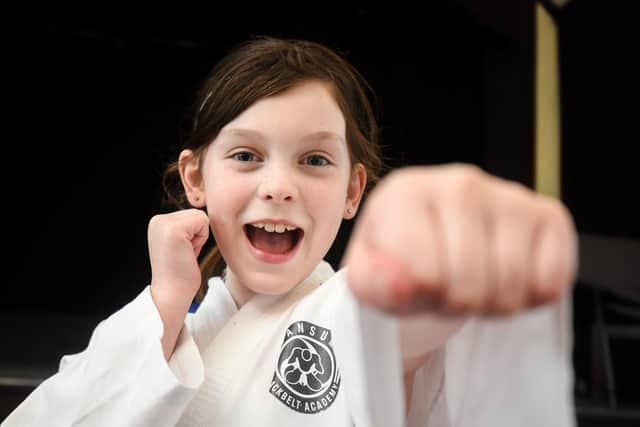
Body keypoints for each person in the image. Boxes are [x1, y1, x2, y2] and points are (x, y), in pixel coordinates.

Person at [2, 36, 577, 426]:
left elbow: (405, 315)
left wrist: (455, 248)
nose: (279, 185)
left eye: (315, 161)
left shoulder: (352, 308)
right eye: (248, 155)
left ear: (354, 192)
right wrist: (164, 306)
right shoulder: (147, 330)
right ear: (195, 177)